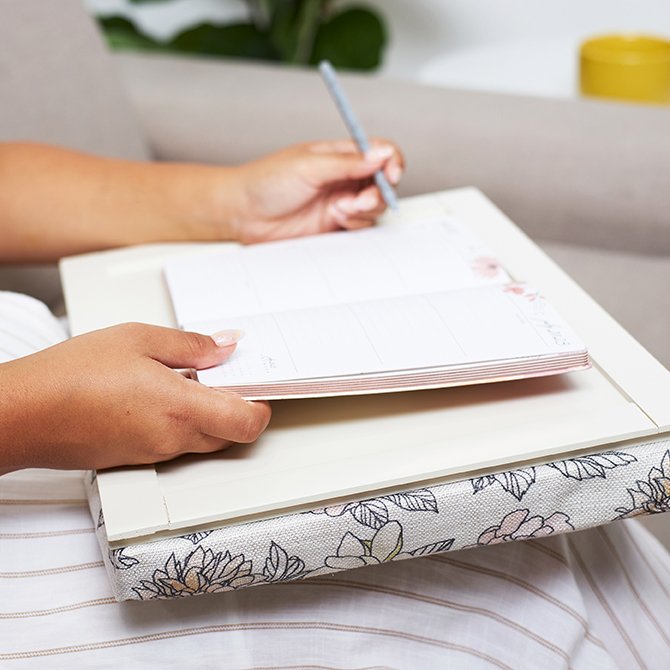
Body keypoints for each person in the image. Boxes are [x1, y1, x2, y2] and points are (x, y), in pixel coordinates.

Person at [1, 140, 669, 670]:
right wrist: (27, 414)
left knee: (565, 515)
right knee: (500, 578)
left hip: (58, 361)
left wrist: (228, 204)